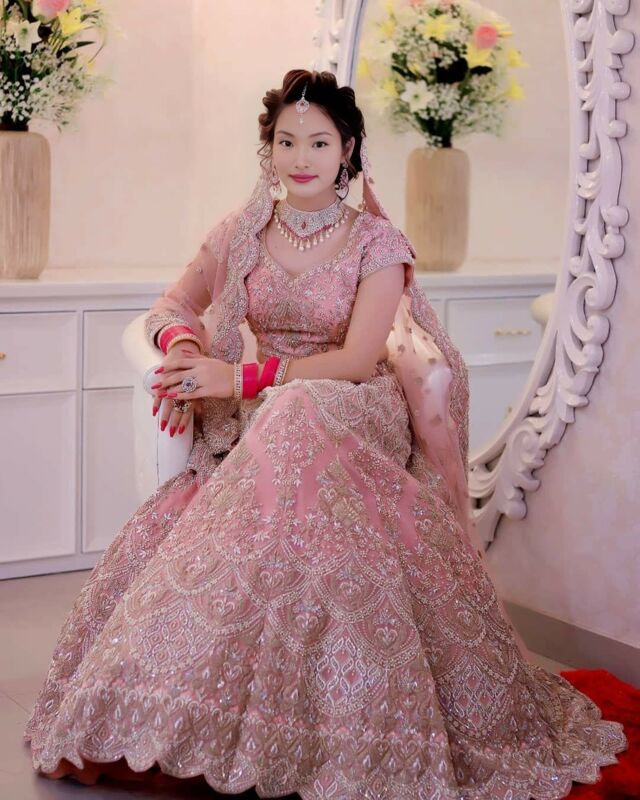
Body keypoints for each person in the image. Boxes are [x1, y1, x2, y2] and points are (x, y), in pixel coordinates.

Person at [24, 69, 626, 800]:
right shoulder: (241, 232)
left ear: (347, 151)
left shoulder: (376, 242)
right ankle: (200, 717)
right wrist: (184, 353)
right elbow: (172, 304)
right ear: (268, 150)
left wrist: (234, 378)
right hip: (266, 411)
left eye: (318, 142)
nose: (300, 157)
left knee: (300, 406)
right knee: (286, 415)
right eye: (286, 142)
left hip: (350, 404)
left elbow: (358, 358)